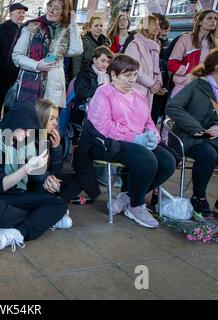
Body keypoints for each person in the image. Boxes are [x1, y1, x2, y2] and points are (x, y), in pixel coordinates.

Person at [85, 54, 176, 228]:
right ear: (113, 75)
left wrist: (152, 135)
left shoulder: (139, 95)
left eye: (135, 75)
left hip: (136, 141)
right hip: (108, 143)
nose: (132, 80)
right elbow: (103, 126)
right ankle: (136, 205)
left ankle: (127, 196)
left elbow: (148, 121)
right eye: (127, 75)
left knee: (168, 162)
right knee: (147, 160)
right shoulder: (104, 92)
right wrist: (135, 138)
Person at [0, 102, 70, 252]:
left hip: (19, 193)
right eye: (26, 130)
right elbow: (0, 185)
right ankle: (43, 219)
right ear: (15, 123)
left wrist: (45, 177)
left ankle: (17, 233)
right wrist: (26, 169)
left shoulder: (22, 135)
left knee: (59, 204)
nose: (27, 134)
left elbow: (35, 167)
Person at [166, 49, 218, 219]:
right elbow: (172, 107)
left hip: (211, 137)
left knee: (210, 151)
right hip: (186, 137)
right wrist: (196, 128)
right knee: (208, 154)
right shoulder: (197, 85)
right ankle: (199, 197)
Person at [12, 0, 83, 108]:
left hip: (52, 88)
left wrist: (73, 24)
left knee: (47, 123)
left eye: (57, 8)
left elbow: (77, 50)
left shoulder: (65, 32)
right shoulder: (32, 26)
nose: (51, 10)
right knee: (27, 121)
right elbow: (16, 55)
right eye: (50, 5)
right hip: (31, 84)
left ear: (64, 12)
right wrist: (36, 65)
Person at [34, 99, 89, 206]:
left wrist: (56, 148)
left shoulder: (51, 137)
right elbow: (33, 172)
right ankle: (53, 205)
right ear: (41, 119)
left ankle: (57, 202)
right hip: (36, 183)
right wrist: (47, 178)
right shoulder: (29, 137)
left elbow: (57, 172)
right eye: (51, 119)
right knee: (41, 186)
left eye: (56, 119)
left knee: (82, 178)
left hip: (49, 180)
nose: (55, 123)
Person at [0, 3, 27, 125]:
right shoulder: (2, 29)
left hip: (17, 76)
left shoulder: (25, 30)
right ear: (11, 14)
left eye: (23, 13)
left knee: (10, 108)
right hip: (0, 76)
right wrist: (1, 69)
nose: (21, 15)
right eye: (18, 12)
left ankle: (7, 133)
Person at [168, 9, 218, 98]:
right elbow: (172, 63)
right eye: (209, 18)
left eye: (215, 19)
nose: (213, 21)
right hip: (183, 87)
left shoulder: (215, 42)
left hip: (205, 89)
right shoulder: (185, 39)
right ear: (200, 22)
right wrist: (189, 74)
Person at [71, 46, 113, 145]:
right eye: (102, 61)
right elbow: (81, 92)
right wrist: (101, 90)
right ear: (94, 59)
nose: (105, 64)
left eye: (107, 62)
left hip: (102, 115)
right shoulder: (85, 73)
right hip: (83, 113)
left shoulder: (108, 76)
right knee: (80, 142)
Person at [125, 15, 165, 108]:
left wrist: (158, 83)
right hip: (135, 90)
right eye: (154, 24)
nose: (158, 27)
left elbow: (156, 68)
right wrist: (152, 84)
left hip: (148, 92)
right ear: (146, 26)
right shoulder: (134, 45)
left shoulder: (154, 47)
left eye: (158, 24)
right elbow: (134, 70)